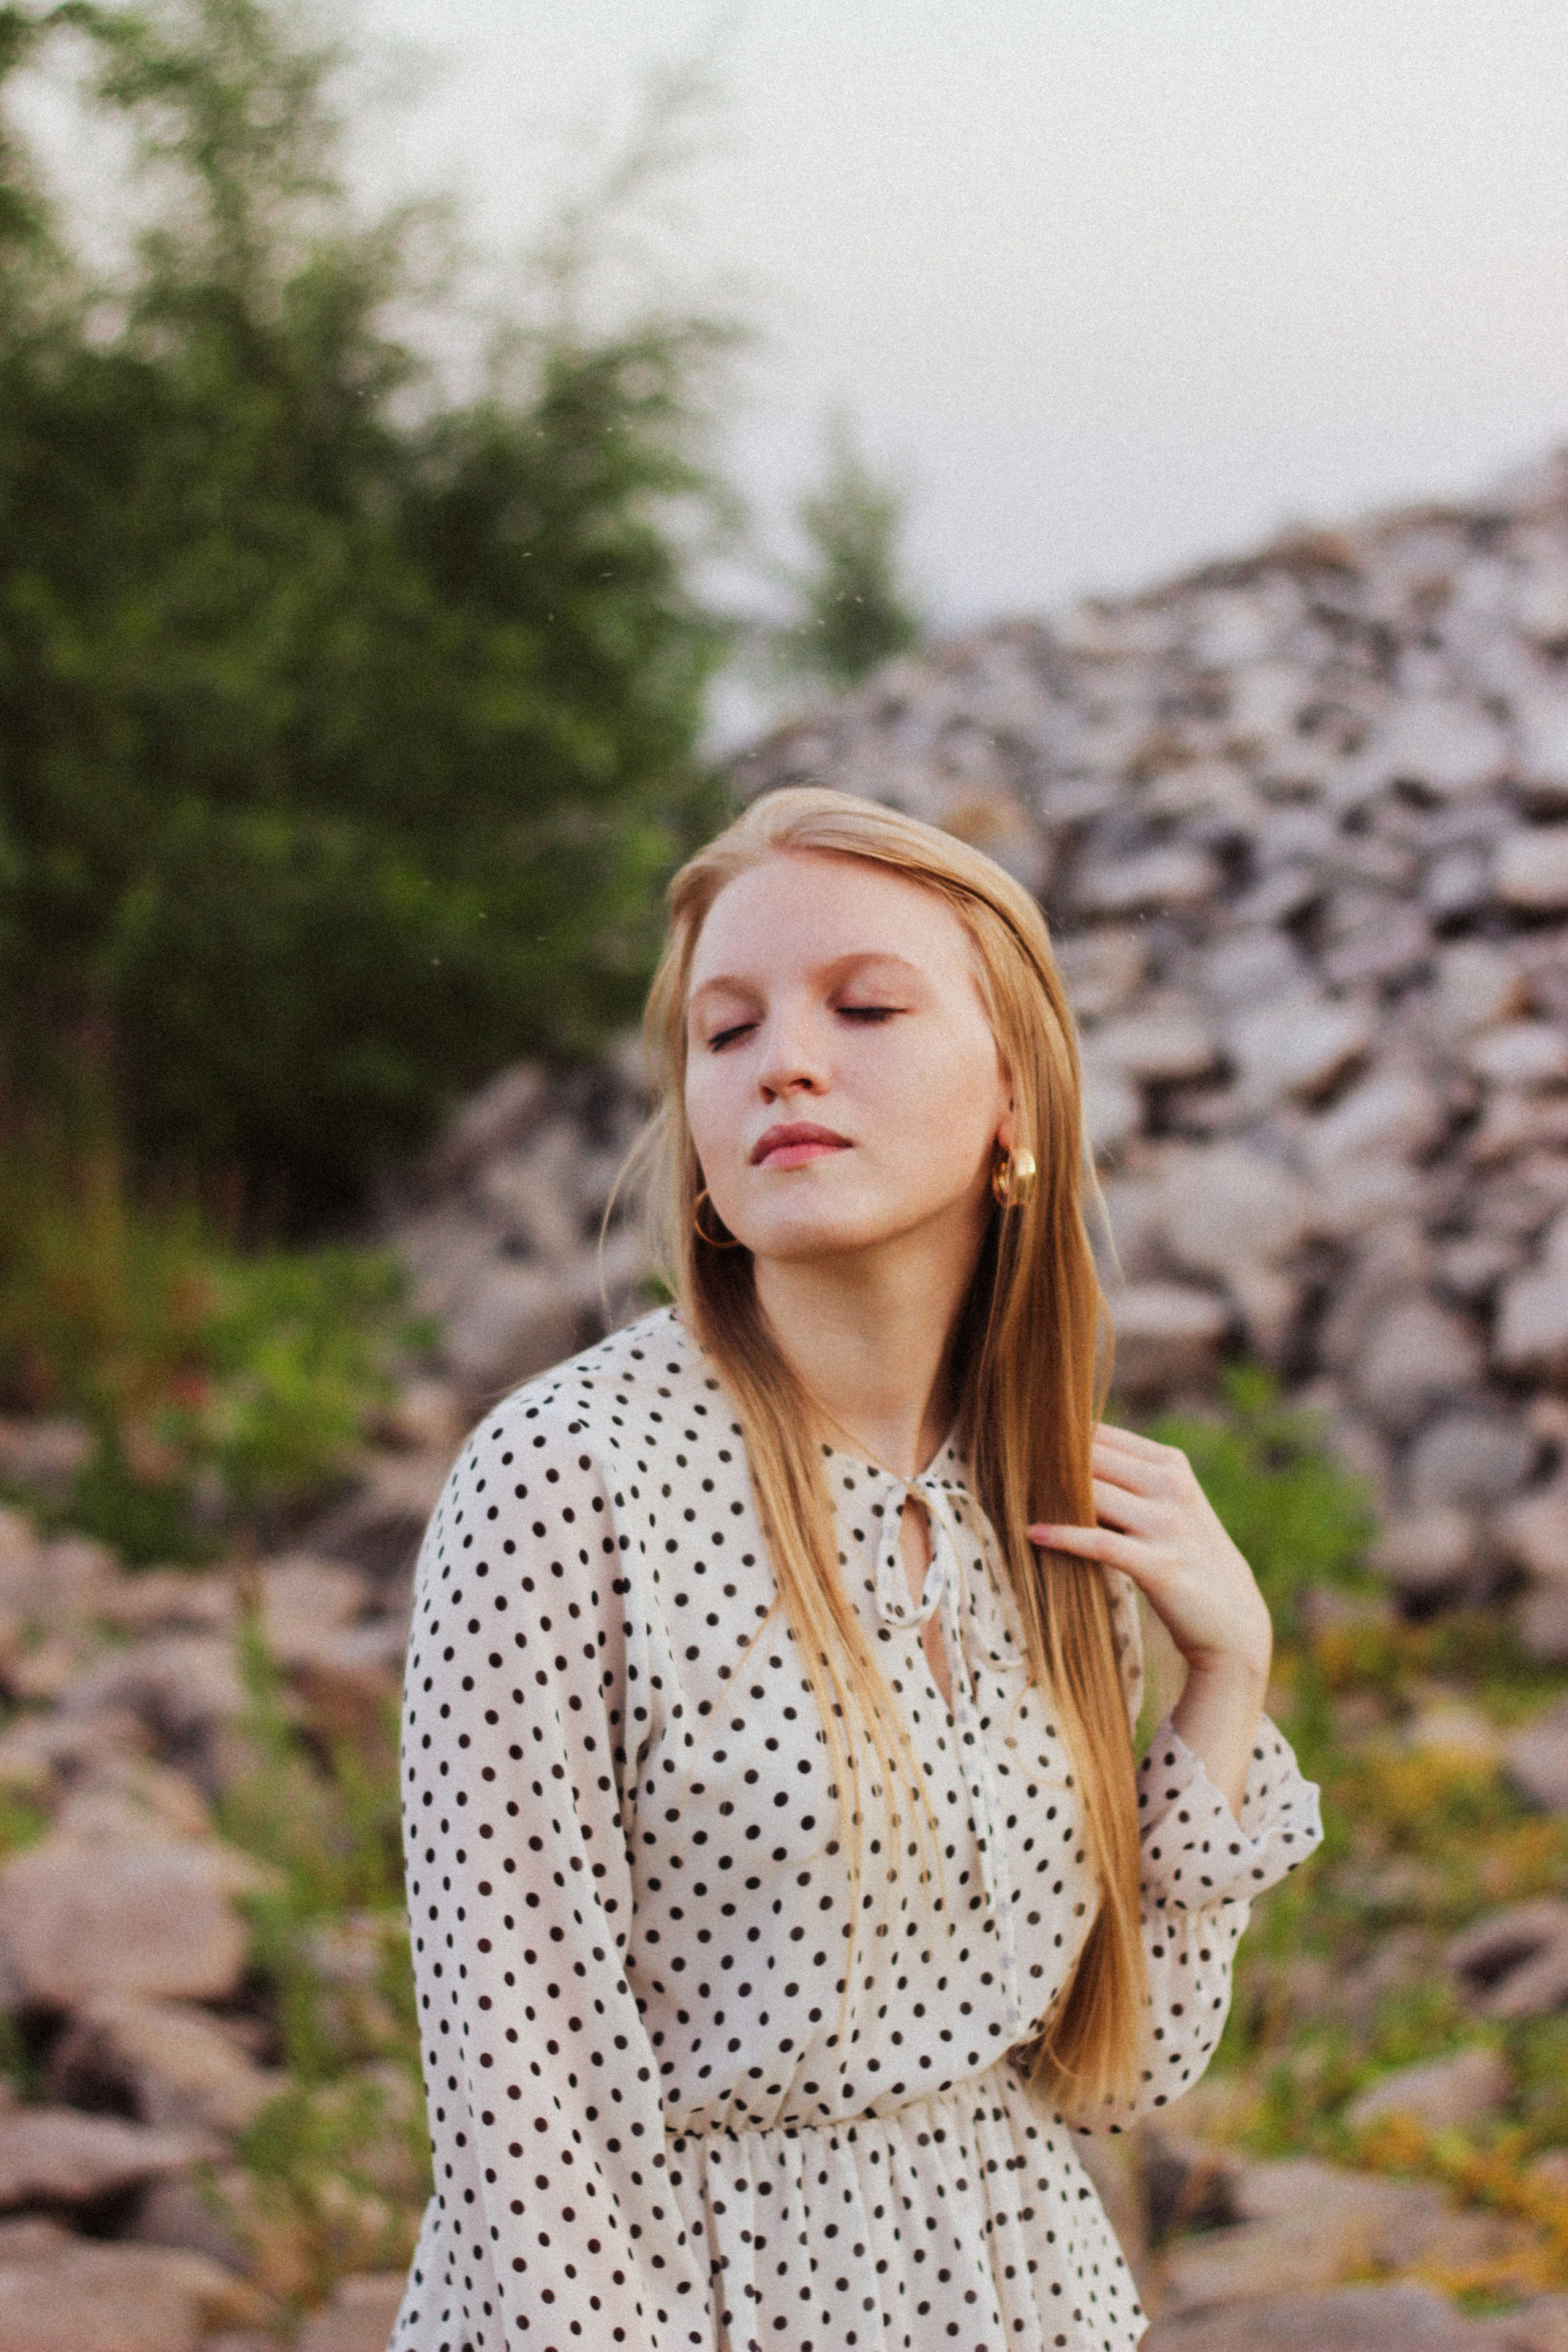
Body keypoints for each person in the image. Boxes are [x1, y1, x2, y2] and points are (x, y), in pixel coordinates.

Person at [390, 785, 1322, 2352]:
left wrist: (1222, 1680)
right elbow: (526, 2129)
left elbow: (1121, 2067)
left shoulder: (1047, 1509)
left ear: (1014, 1097)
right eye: (725, 1030)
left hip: (1019, 2303)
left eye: (865, 1007)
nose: (783, 1062)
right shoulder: (567, 1483)